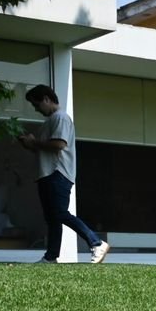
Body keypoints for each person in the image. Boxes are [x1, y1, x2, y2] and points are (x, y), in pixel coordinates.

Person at [19, 85, 110, 264]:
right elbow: (45, 150)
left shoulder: (60, 118)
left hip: (58, 173)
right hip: (47, 174)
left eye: (37, 104)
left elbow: (59, 144)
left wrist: (34, 142)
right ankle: (50, 257)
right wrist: (30, 145)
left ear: (46, 99)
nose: (36, 109)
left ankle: (96, 242)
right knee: (53, 218)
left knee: (59, 213)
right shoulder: (50, 121)